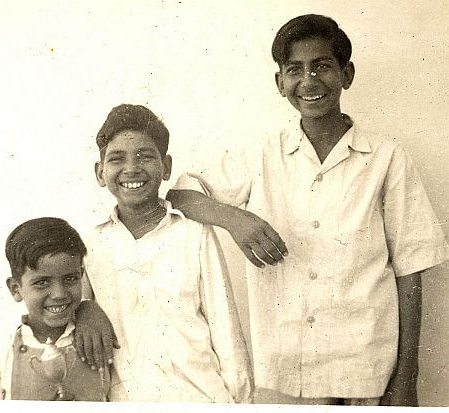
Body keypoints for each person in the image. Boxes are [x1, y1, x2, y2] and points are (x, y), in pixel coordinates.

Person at [166, 14, 449, 406]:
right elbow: (181, 194)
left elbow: (411, 268)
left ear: (346, 74)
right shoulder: (262, 154)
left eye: (322, 66)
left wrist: (407, 376)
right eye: (294, 70)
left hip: (367, 370)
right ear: (280, 83)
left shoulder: (387, 158)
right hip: (285, 371)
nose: (309, 81)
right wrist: (236, 219)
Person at [82, 103, 253, 403]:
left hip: (200, 399)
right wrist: (85, 308)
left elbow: (225, 327)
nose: (131, 168)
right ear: (100, 172)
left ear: (167, 167)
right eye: (117, 159)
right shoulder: (92, 246)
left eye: (145, 156)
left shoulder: (195, 234)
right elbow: (79, 315)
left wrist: (241, 401)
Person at [0, 217, 114, 401]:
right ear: (15, 289)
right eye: (41, 282)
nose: (59, 294)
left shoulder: (95, 339)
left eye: (70, 278)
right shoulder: (0, 353)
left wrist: (89, 308)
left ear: (81, 276)